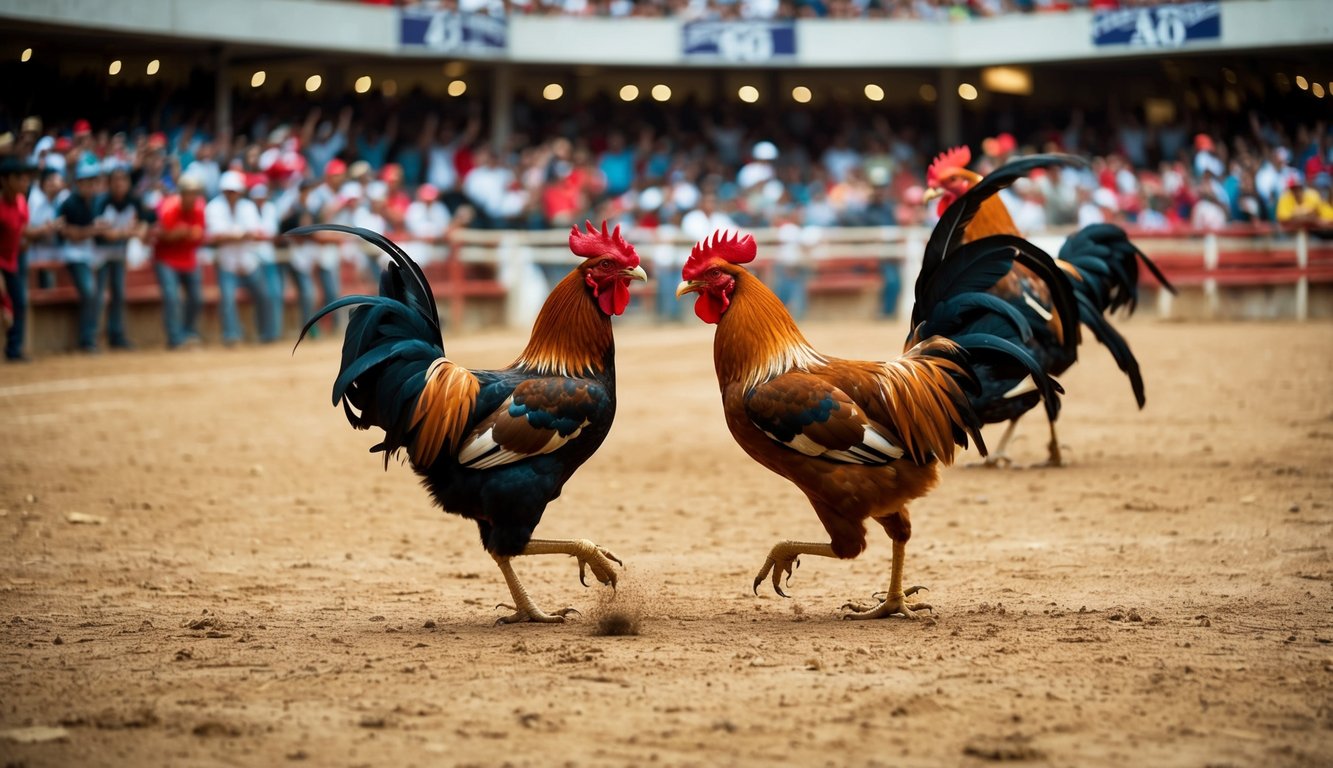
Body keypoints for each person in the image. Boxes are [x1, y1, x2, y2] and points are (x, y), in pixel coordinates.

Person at [206, 170, 272, 345]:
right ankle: (231, 336)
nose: (232, 194)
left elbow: (254, 233)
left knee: (265, 296)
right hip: (227, 263)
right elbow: (215, 236)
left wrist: (232, 235)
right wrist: (241, 235)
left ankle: (267, 334)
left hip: (248, 261)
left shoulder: (247, 207)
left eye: (234, 191)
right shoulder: (214, 207)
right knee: (227, 300)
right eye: (229, 191)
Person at [93, 166, 148, 349]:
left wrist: (136, 230)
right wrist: (128, 232)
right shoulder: (101, 202)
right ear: (109, 183)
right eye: (115, 180)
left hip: (119, 254)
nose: (119, 184)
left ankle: (116, 336)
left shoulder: (134, 201)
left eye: (123, 180)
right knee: (98, 296)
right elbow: (103, 233)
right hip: (98, 256)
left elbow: (144, 224)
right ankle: (91, 338)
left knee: (119, 295)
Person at [152, 173, 207, 349]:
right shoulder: (169, 207)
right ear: (181, 194)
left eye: (195, 193)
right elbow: (165, 235)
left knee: (196, 297)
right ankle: (175, 338)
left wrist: (181, 232)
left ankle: (189, 332)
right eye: (189, 193)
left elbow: (199, 237)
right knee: (172, 297)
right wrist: (180, 233)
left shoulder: (199, 209)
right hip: (166, 259)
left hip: (188, 257)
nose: (192, 197)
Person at [56, 161, 106, 352]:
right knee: (90, 292)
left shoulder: (94, 201)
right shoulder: (69, 203)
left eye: (93, 182)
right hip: (74, 255)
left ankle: (90, 337)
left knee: (94, 295)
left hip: (90, 255)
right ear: (79, 183)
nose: (90, 186)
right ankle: (87, 339)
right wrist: (92, 230)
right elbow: (69, 234)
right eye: (87, 182)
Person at [0, 156, 36, 362]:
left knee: (19, 303)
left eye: (25, 179)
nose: (25, 183)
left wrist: (28, 240)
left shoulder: (22, 203)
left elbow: (23, 232)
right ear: (5, 181)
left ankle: (14, 349)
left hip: (11, 261)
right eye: (19, 179)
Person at [249, 184, 285, 340]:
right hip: (253, 260)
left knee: (275, 294)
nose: (260, 200)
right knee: (263, 296)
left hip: (269, 258)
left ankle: (274, 333)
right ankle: (264, 333)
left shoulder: (270, 208)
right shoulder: (247, 209)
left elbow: (273, 235)